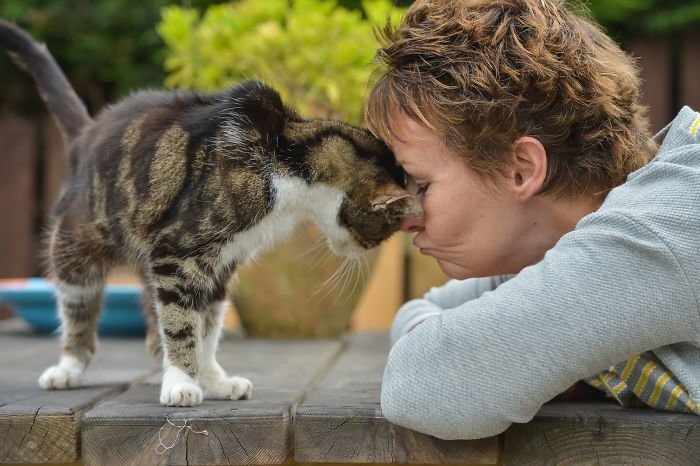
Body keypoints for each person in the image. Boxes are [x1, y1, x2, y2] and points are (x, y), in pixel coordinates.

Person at [364, 0, 700, 440]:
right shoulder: (574, 243)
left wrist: (512, 352)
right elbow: (426, 312)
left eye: (421, 185)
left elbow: (422, 384)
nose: (405, 219)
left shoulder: (660, 228)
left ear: (521, 168)